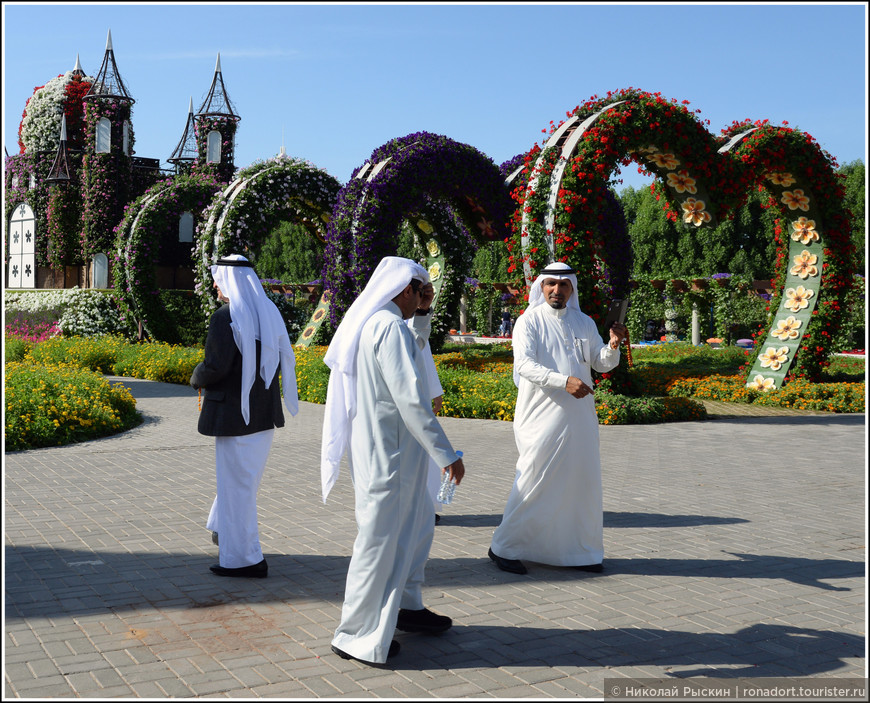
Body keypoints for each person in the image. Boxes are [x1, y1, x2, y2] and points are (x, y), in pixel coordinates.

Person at [321, 256, 465, 667]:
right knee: (378, 543)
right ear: (405, 290)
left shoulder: (385, 325)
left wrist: (424, 312)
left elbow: (416, 356)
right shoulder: (387, 328)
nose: (423, 301)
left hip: (395, 455)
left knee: (413, 533)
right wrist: (448, 455)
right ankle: (355, 633)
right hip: (391, 459)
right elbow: (412, 402)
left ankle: (403, 608)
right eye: (421, 294)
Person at [488, 261, 627, 575]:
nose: (557, 290)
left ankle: (578, 553)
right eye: (550, 284)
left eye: (564, 285)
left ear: (571, 289)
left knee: (579, 482)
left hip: (579, 417)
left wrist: (614, 343)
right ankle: (504, 547)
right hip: (541, 416)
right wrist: (563, 381)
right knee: (536, 478)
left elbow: (601, 363)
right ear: (541, 287)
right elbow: (524, 365)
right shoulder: (529, 321)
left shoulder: (584, 322)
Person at [190, 254, 298, 579]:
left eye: (218, 278)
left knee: (238, 487)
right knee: (242, 482)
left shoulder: (226, 317)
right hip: (262, 417)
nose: (214, 285)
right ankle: (221, 526)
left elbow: (215, 367)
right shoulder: (270, 312)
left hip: (232, 418)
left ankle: (245, 560)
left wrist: (195, 376)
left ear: (230, 282)